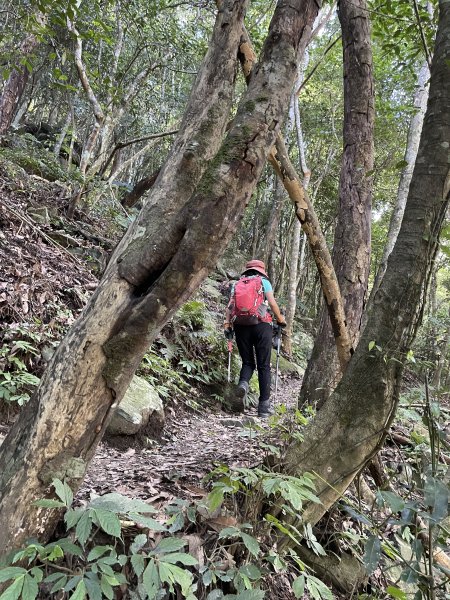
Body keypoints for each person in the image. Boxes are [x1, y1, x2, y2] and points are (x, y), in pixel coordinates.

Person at [223, 259, 286, 417]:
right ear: (261, 271)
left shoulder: (237, 284)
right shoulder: (263, 281)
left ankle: (243, 384)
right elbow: (271, 303)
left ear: (247, 270)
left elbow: (230, 307)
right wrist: (281, 320)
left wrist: (227, 325)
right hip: (261, 325)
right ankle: (264, 407)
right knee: (263, 365)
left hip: (241, 326)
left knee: (248, 362)